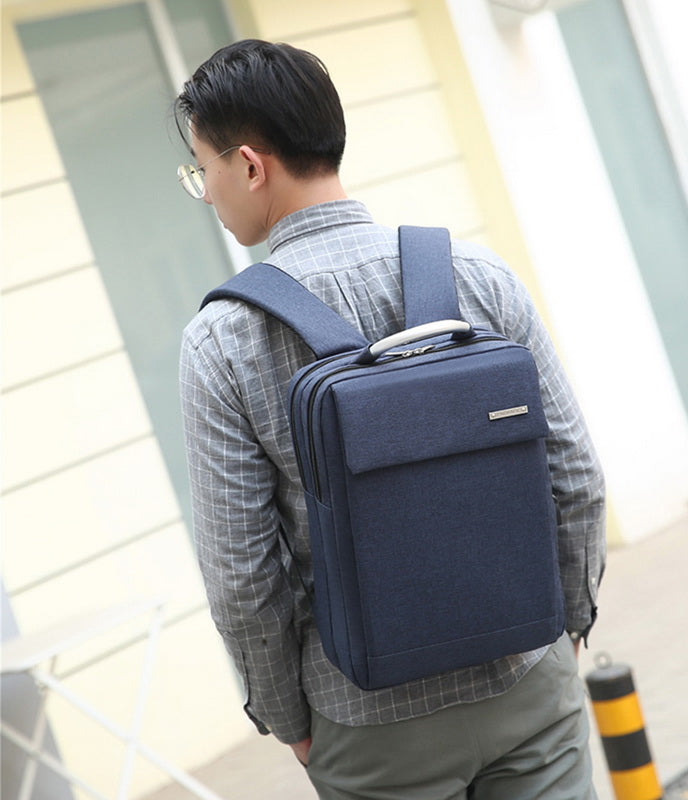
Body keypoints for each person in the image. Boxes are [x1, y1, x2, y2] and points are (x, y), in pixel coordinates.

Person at [175, 39, 606, 799]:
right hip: (526, 679)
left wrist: (292, 721)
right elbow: (576, 478)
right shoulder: (478, 276)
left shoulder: (224, 341)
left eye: (201, 169)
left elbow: (243, 577)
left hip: (366, 722)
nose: (205, 192)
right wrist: (564, 631)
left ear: (248, 166)